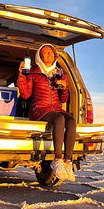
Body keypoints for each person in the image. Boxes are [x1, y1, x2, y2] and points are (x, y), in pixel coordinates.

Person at [17, 43, 76, 182]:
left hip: (56, 108)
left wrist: (64, 87)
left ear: (55, 56)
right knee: (59, 119)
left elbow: (63, 99)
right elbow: (25, 95)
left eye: (51, 52)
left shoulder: (60, 73)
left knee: (72, 122)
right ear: (39, 56)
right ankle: (57, 159)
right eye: (45, 52)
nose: (49, 54)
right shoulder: (33, 72)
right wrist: (21, 75)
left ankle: (67, 163)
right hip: (39, 109)